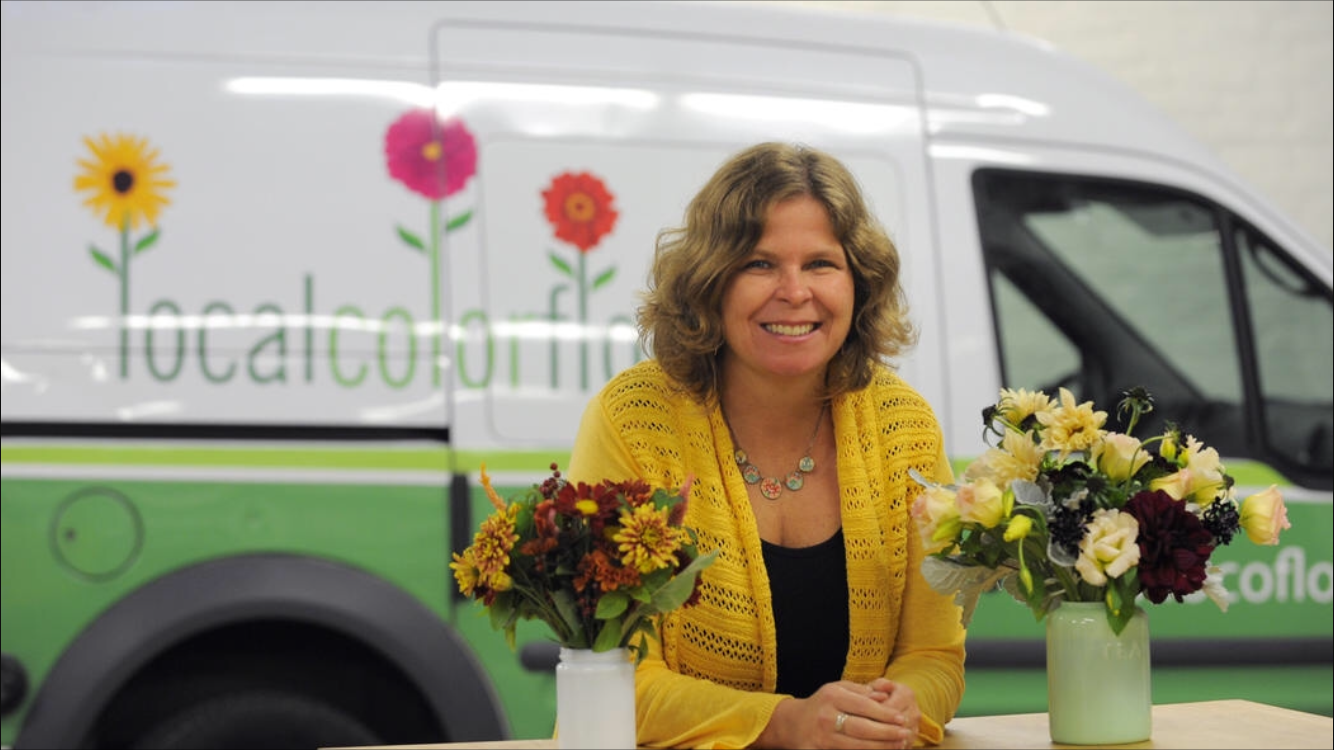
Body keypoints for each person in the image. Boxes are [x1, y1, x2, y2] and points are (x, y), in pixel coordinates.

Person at [567, 142, 966, 749]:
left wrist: (905, 708)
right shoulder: (632, 421)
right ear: (710, 283)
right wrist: (785, 725)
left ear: (859, 282)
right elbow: (612, 678)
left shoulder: (904, 426)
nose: (794, 291)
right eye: (759, 264)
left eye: (821, 264)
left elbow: (934, 654)